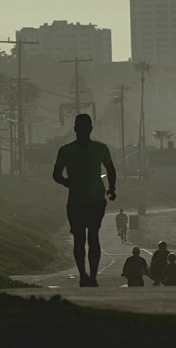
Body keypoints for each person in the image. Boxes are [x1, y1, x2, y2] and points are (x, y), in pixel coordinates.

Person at [53, 113, 116, 287]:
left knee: (83, 239)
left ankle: (87, 276)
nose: (83, 131)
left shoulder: (69, 150)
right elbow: (111, 170)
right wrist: (111, 188)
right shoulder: (97, 149)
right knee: (89, 238)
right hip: (84, 201)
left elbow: (56, 174)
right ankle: (87, 275)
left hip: (85, 201)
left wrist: (112, 188)